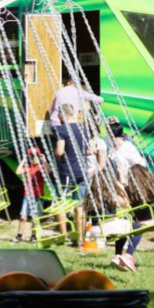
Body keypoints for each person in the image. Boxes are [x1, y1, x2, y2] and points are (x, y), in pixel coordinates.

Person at [113, 165, 154, 272]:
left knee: (126, 230)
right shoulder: (153, 186)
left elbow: (125, 204)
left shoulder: (128, 189)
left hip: (141, 220)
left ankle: (117, 255)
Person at [55, 104, 91, 247]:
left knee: (61, 204)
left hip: (68, 172)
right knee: (80, 206)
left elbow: (59, 151)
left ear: (62, 115)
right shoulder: (83, 129)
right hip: (83, 171)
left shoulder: (62, 130)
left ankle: (64, 236)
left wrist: (55, 153)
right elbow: (89, 150)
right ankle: (80, 238)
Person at [13, 147, 47, 243]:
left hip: (38, 196)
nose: (33, 159)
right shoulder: (27, 168)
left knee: (35, 218)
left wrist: (44, 160)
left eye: (35, 156)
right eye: (31, 157)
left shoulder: (41, 167)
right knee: (23, 217)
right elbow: (17, 171)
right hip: (27, 195)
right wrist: (23, 160)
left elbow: (48, 171)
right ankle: (19, 236)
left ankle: (33, 236)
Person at [107, 118, 146, 184]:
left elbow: (141, 164)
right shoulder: (112, 149)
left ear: (110, 134)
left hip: (131, 182)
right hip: (119, 181)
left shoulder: (128, 147)